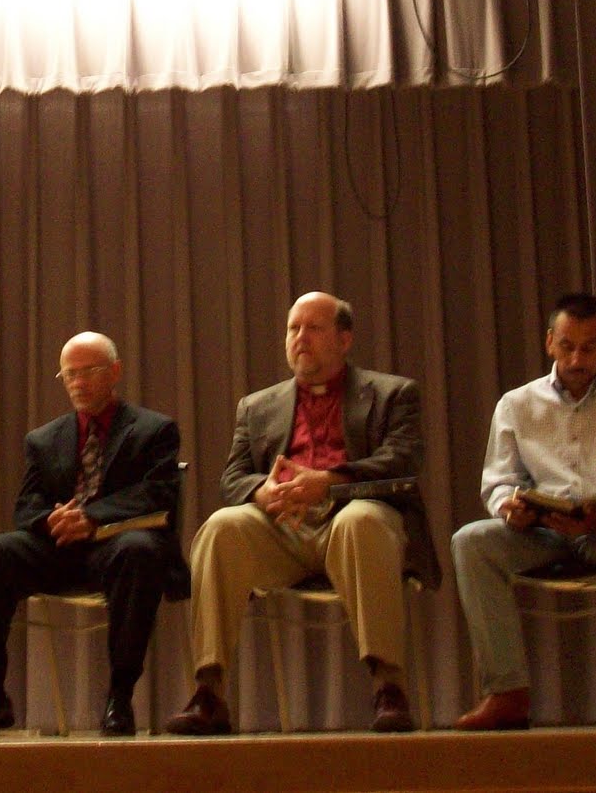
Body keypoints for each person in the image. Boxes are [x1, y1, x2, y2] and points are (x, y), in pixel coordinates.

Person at [166, 291, 439, 735]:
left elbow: (404, 460)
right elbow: (232, 478)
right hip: (283, 530)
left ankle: (389, 687)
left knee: (360, 520)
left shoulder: (392, 393)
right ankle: (209, 692)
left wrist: (328, 482)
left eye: (314, 328)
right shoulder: (257, 406)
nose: (300, 338)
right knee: (220, 527)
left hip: (352, 521)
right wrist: (263, 493)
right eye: (293, 329)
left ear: (344, 339)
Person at [451, 292, 596, 729]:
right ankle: (507, 693)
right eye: (568, 346)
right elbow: (497, 480)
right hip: (536, 534)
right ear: (550, 343)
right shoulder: (516, 404)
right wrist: (510, 508)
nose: (577, 359)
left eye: (589, 347)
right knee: (471, 542)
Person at [0, 331, 187, 738]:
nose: (78, 383)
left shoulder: (154, 430)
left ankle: (120, 695)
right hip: (60, 548)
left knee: (139, 551)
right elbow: (26, 506)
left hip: (120, 545)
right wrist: (52, 519)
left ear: (114, 373)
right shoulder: (44, 440)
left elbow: (158, 494)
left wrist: (92, 516)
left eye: (89, 373)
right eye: (69, 375)